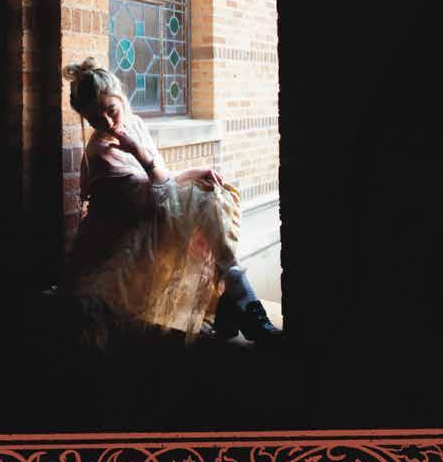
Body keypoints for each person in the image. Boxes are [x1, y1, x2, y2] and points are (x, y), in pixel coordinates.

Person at [59, 57, 283, 347]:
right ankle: (240, 299)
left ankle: (236, 298)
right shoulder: (100, 153)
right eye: (95, 120)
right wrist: (139, 152)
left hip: (149, 211)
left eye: (111, 110)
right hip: (124, 239)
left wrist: (194, 172)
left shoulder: (134, 124)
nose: (108, 123)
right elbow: (158, 195)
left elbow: (158, 183)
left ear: (121, 97)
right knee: (203, 200)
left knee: (212, 190)